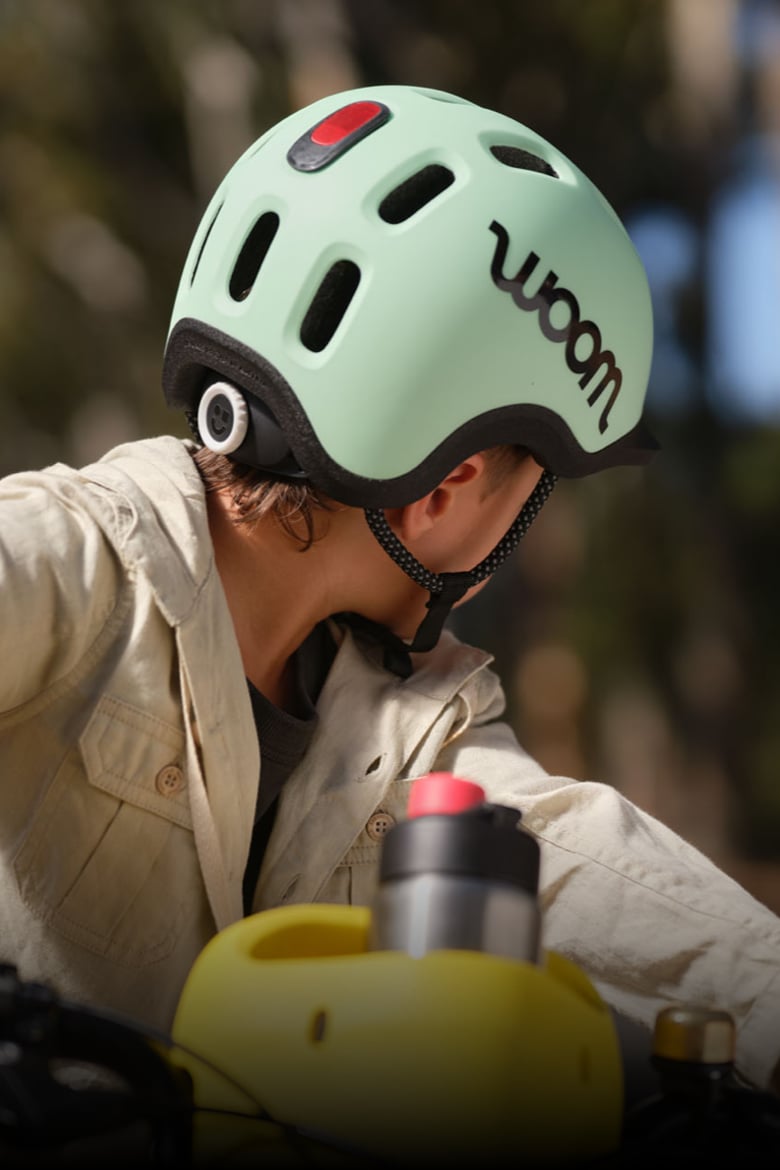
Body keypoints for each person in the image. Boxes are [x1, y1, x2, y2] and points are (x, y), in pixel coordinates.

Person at [1, 84, 779, 1100]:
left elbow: (625, 898)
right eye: (537, 489)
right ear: (451, 489)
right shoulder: (71, 567)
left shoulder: (406, 728)